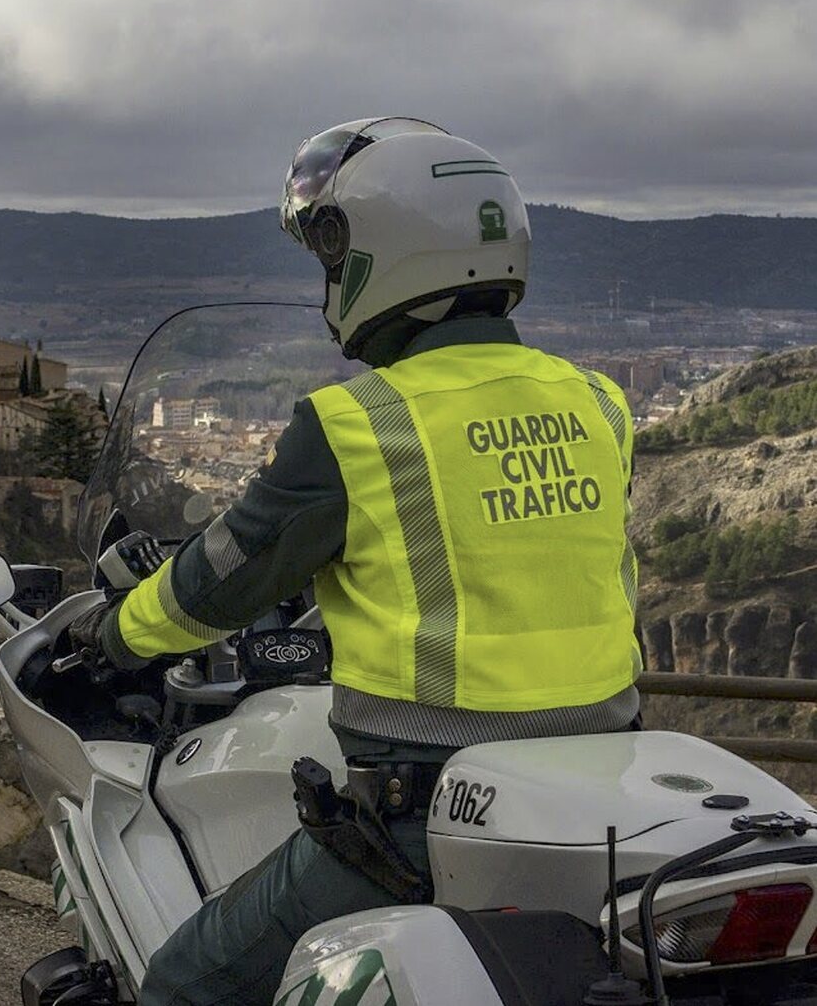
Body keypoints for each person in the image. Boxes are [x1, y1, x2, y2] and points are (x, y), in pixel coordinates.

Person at [72, 118, 641, 1005]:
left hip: (420, 817)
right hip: (599, 796)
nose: (330, 281)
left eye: (334, 256)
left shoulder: (357, 424)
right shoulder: (599, 405)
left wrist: (116, 634)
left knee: (184, 983)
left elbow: (220, 577)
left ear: (390, 253)